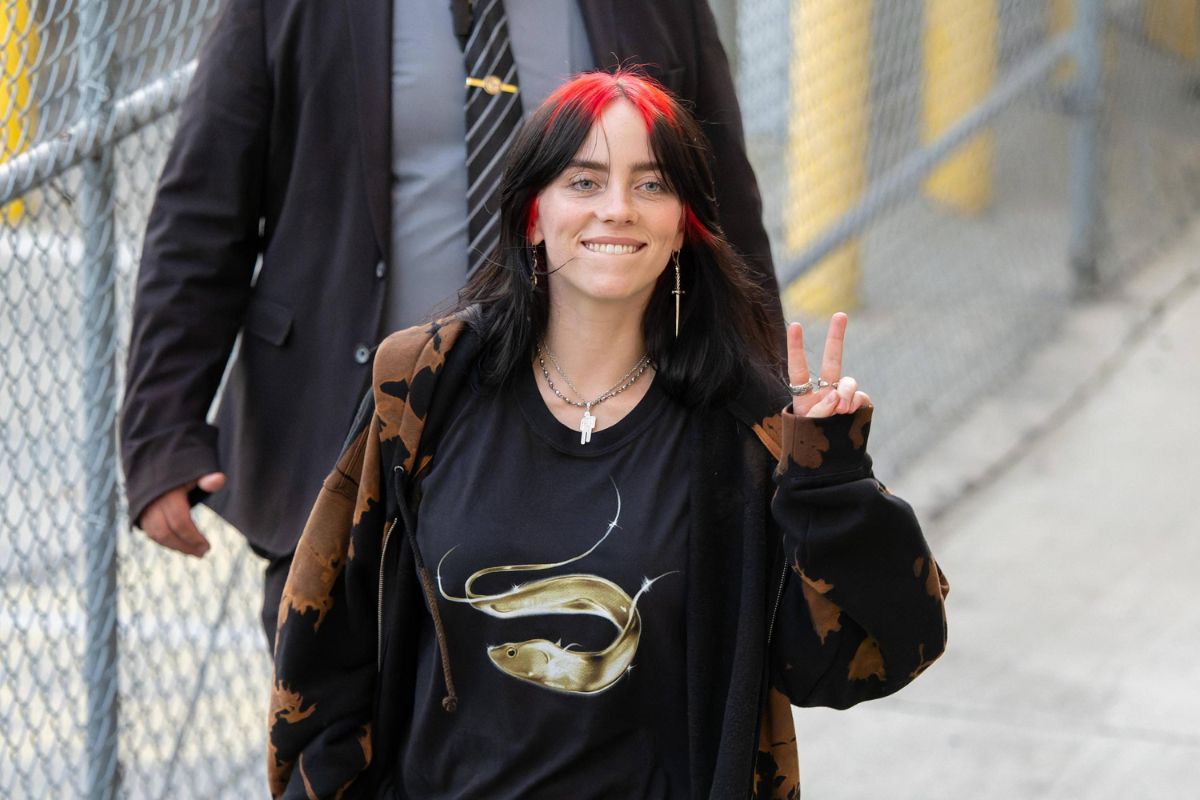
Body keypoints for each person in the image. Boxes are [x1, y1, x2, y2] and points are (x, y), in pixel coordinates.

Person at [267, 70, 948, 800]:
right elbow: (322, 643)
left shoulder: (744, 428)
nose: (618, 209)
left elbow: (861, 660)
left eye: (652, 185)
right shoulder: (425, 385)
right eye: (585, 182)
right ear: (532, 216)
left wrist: (831, 484)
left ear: (683, 225)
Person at [119, 0, 782, 647]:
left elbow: (719, 206)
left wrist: (774, 424)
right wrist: (162, 429)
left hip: (592, 444)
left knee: (561, 684)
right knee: (335, 700)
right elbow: (203, 206)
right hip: (352, 436)